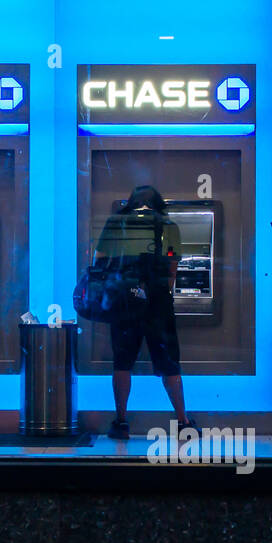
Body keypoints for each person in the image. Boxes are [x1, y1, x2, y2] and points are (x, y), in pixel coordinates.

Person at [94, 185, 194, 441]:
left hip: (125, 301)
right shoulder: (168, 226)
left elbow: (100, 260)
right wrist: (162, 292)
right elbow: (172, 265)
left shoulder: (116, 223)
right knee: (169, 362)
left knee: (122, 360)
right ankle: (183, 422)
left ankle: (121, 422)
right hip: (158, 302)